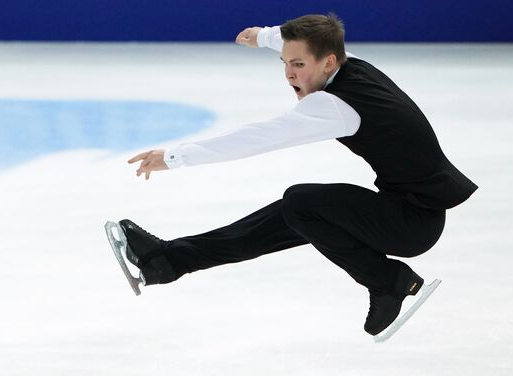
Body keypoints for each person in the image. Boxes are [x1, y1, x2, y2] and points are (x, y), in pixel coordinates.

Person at [114, 13, 478, 336]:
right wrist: (265, 37)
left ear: (328, 61)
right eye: (286, 62)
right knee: (292, 212)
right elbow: (296, 45)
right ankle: (168, 261)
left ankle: (389, 283)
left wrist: (175, 157)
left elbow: (256, 138)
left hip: (409, 224)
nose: (290, 73)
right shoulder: (351, 68)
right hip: (407, 212)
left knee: (300, 203)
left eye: (299, 64)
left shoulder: (334, 106)